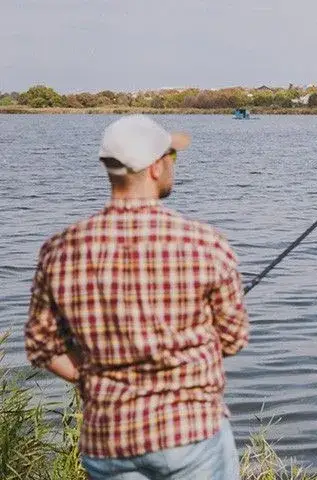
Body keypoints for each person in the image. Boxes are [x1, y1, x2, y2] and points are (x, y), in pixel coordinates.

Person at [24, 114, 249, 479]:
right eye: (172, 158)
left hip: (108, 437)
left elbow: (41, 347)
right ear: (156, 167)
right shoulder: (205, 243)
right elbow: (234, 339)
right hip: (190, 434)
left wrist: (94, 380)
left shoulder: (60, 249)